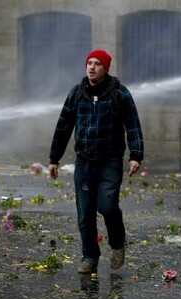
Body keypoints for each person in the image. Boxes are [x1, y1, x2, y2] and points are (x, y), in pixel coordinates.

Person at [48, 49, 144, 274]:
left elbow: (133, 124)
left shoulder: (119, 93)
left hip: (110, 161)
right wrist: (54, 158)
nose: (92, 67)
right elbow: (63, 126)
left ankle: (118, 243)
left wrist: (136, 155)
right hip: (84, 162)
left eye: (97, 64)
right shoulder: (77, 93)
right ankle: (90, 256)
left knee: (107, 207)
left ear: (106, 68)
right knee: (85, 212)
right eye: (89, 63)